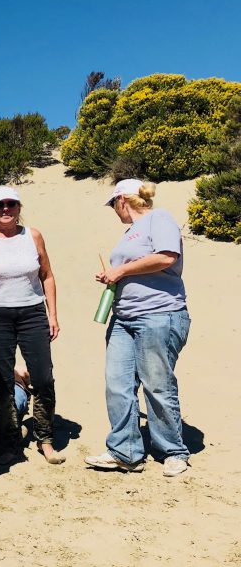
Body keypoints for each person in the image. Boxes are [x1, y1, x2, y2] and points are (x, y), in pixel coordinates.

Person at [86, 179, 191, 477]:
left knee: (157, 384)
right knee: (117, 385)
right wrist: (112, 276)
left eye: (113, 205)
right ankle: (126, 451)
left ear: (123, 200)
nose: (114, 211)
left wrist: (121, 269)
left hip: (159, 313)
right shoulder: (129, 233)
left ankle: (173, 450)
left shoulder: (160, 218)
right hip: (123, 318)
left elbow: (167, 256)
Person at [0, 186, 63, 465]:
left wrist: (53, 314)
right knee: (2, 382)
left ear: (19, 207)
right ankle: (10, 441)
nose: (5, 210)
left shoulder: (32, 236)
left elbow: (47, 275)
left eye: (11, 204)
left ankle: (45, 437)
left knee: (43, 377)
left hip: (32, 313)